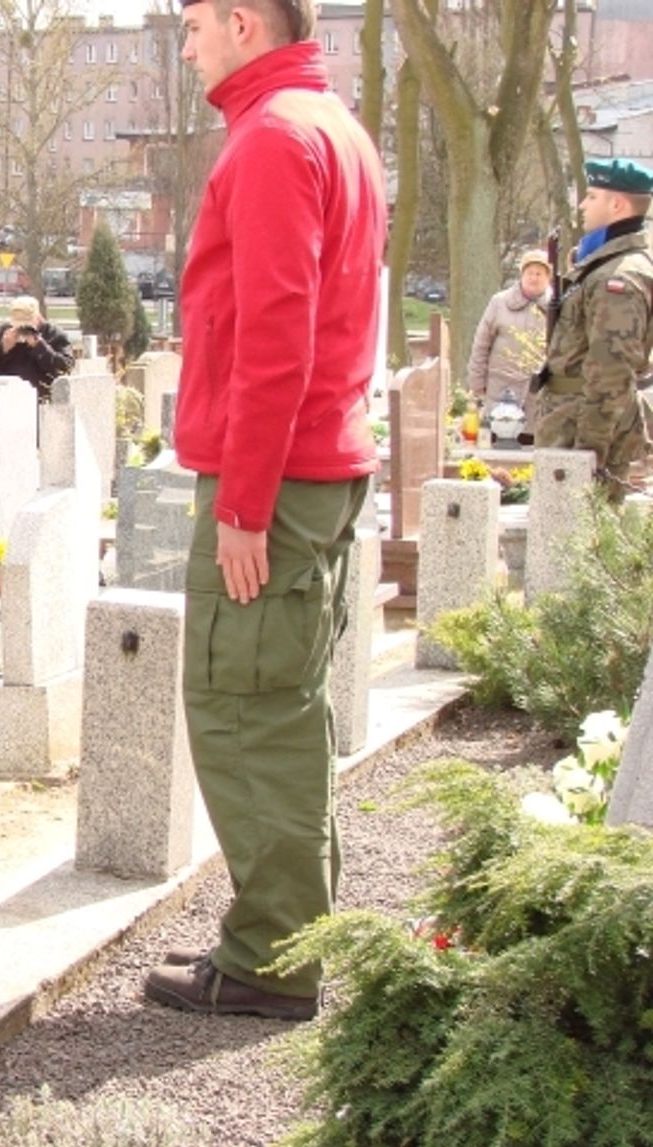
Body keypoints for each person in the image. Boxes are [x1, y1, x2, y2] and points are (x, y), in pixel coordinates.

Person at [141, 0, 386, 1023]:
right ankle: (287, 937)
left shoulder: (277, 136)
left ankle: (272, 960)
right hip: (311, 467)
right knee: (284, 705)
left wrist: (242, 502)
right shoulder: (325, 125)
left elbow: (275, 331)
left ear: (243, 23)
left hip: (275, 482)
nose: (187, 43)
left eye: (194, 23)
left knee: (245, 709)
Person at [535, 158, 653, 499]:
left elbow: (611, 372)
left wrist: (589, 453)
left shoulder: (617, 279)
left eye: (592, 197)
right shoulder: (601, 266)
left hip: (580, 433)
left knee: (575, 528)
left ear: (617, 205)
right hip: (568, 424)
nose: (582, 206)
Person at [467, 249, 550, 435]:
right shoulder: (499, 302)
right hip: (501, 387)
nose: (534, 278)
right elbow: (481, 344)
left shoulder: (556, 307)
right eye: (530, 273)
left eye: (539, 273)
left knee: (532, 442)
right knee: (500, 439)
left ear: (547, 278)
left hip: (538, 393)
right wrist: (476, 382)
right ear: (522, 275)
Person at [0, 296, 75, 403]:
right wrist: (2, 349)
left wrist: (40, 347)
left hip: (42, 395)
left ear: (38, 317)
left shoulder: (54, 334)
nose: (22, 330)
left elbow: (66, 367)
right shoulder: (1, 333)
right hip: (9, 396)